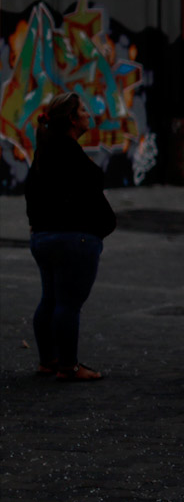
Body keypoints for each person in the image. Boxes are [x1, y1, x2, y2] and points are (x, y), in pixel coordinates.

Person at [24, 93, 116, 381]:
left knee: (49, 299)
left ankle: (47, 361)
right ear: (73, 121)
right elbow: (90, 191)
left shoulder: (44, 154)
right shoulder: (70, 153)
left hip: (43, 239)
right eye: (84, 111)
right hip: (73, 241)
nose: (89, 115)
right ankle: (68, 366)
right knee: (68, 304)